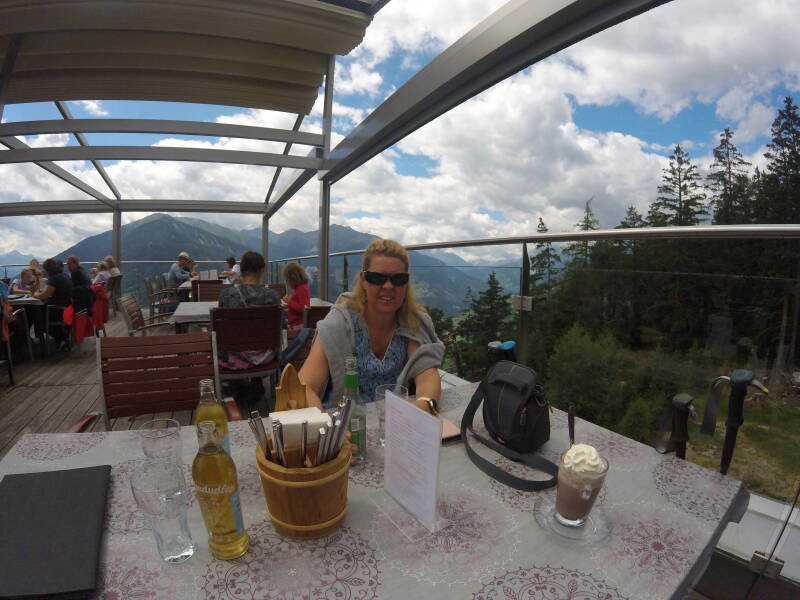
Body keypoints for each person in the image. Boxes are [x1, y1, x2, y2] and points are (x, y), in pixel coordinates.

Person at [299, 239, 444, 413]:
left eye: (398, 279)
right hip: (346, 420)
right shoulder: (340, 323)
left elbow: (426, 373)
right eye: (377, 278)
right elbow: (305, 386)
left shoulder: (412, 322)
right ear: (363, 279)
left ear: (406, 283)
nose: (388, 286)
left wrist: (424, 405)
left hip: (395, 418)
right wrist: (322, 424)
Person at [217, 251, 285, 412]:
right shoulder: (272, 296)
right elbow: (282, 328)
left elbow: (219, 331)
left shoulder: (226, 295)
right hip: (264, 357)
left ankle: (240, 384)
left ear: (242, 270)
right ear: (261, 270)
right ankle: (254, 382)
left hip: (233, 356)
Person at [32, 258, 74, 350]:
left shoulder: (54, 279)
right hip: (68, 307)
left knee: (37, 316)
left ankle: (58, 339)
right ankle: (62, 337)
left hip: (58, 311)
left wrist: (34, 294)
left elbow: (44, 295)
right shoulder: (64, 275)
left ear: (48, 270)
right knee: (41, 310)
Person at [282, 262, 311, 329]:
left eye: (287, 279)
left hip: (297, 325)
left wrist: (289, 301)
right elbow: (299, 305)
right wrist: (288, 304)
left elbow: (303, 308)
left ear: (292, 278)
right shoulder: (301, 288)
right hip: (296, 323)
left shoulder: (301, 289)